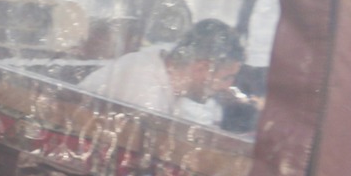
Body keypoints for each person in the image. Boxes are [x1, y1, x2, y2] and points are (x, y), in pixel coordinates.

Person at [76, 18, 244, 127]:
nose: (228, 86)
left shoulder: (168, 68)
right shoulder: (145, 91)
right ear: (201, 68)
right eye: (226, 78)